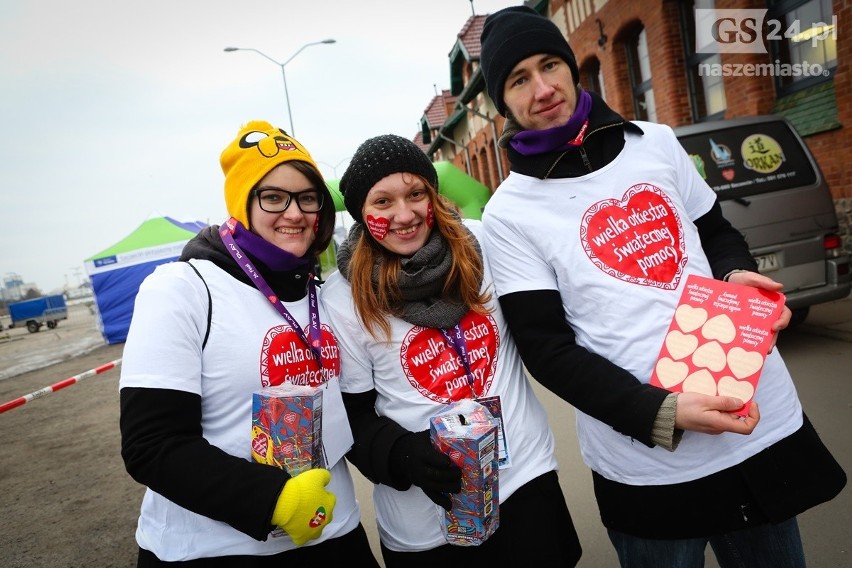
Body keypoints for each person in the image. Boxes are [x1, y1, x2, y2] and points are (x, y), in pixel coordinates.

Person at [477, 6, 846, 568]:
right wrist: (658, 411)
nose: (543, 88)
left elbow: (716, 231)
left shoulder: (655, 142)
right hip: (647, 457)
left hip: (747, 405)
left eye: (550, 64)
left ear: (572, 68)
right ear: (503, 102)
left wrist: (734, 272)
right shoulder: (510, 213)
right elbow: (546, 349)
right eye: (518, 79)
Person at [119, 120, 380, 567]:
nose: (294, 213)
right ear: (243, 204)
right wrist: (273, 499)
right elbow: (152, 444)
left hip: (334, 533)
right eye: (273, 197)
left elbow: (351, 413)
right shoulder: (183, 288)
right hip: (216, 549)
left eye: (307, 197)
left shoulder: (324, 293)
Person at [321, 134, 582, 567]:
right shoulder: (342, 297)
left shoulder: (484, 247)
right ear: (362, 215)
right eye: (383, 202)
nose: (404, 215)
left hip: (525, 484)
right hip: (428, 519)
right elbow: (351, 415)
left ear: (433, 196)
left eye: (415, 194)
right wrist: (404, 455)